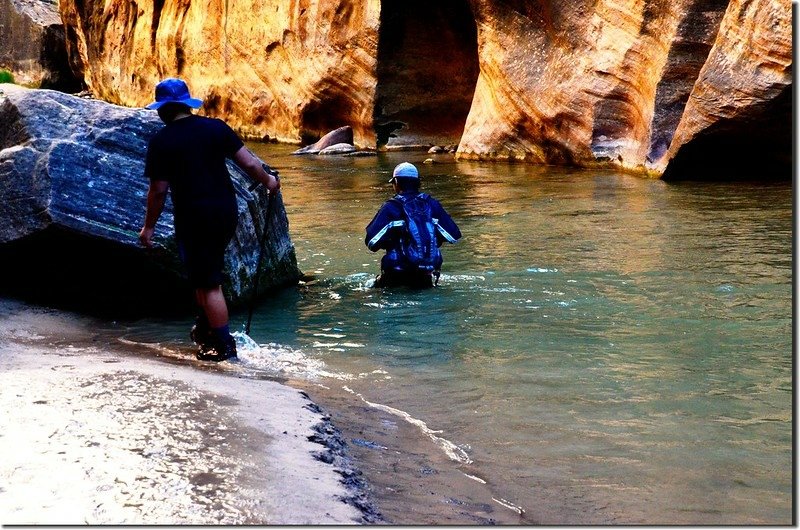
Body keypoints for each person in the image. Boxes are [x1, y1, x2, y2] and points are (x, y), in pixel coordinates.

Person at [138, 78, 280, 362]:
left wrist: (149, 227)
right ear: (187, 104)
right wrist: (269, 181)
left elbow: (159, 191)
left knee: (208, 282)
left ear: (162, 110)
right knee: (203, 275)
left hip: (193, 216)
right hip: (225, 212)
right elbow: (250, 163)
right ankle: (207, 329)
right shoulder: (215, 128)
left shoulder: (162, 141)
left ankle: (224, 347)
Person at [365, 162, 461, 288]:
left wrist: (391, 240)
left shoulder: (391, 207)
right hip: (426, 276)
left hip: (396, 275)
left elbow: (371, 242)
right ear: (418, 182)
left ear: (396, 183)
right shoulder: (432, 204)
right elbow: (453, 235)